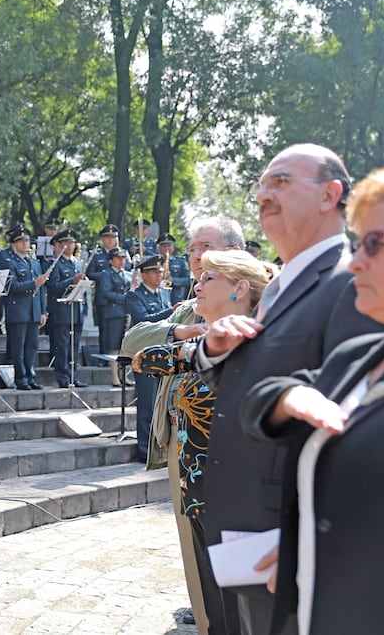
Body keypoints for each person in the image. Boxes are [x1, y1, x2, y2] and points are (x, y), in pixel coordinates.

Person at [196, 144, 384, 634]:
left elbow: (355, 418)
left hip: (286, 539)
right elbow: (269, 382)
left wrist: (314, 534)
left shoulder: (351, 281)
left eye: (281, 182)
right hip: (246, 533)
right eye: (261, 186)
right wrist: (217, 352)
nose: (264, 195)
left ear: (330, 194)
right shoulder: (281, 286)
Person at [241, 166, 384, 635]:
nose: (356, 262)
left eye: (374, 243)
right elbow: (258, 402)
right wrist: (291, 395)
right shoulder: (360, 356)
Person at [133, 250, 275, 633]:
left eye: (210, 277)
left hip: (239, 505)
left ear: (240, 288)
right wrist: (196, 340)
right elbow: (141, 360)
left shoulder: (259, 344)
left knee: (247, 616)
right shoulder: (207, 348)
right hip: (198, 498)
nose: (197, 282)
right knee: (218, 613)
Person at [121, 216, 245, 632]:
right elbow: (134, 343)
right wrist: (185, 330)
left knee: (233, 537)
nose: (194, 256)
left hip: (231, 443)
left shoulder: (256, 301)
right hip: (183, 437)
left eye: (204, 248)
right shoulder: (190, 305)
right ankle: (206, 610)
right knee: (191, 530)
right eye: (192, 250)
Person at [125, 254, 173, 461]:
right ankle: (144, 450)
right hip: (145, 355)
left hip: (164, 353)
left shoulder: (163, 293)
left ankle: (159, 447)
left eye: (160, 272)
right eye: (154, 272)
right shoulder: (134, 296)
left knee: (161, 404)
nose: (159, 275)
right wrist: (170, 312)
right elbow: (143, 320)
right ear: (143, 275)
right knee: (146, 404)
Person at [0, 224, 48, 390]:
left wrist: (43, 311)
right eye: (21, 241)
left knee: (32, 346)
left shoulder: (34, 262)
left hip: (33, 310)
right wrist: (33, 283)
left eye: (27, 240)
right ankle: (21, 378)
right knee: (18, 347)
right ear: (13, 243)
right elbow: (11, 286)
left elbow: (41, 291)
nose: (25, 243)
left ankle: (30, 377)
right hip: (17, 310)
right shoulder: (9, 261)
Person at [44, 229, 87, 388]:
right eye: (66, 243)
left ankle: (73, 376)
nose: (70, 246)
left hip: (77, 309)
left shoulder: (78, 263)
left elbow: (83, 289)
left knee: (74, 346)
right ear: (58, 246)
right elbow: (53, 287)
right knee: (62, 346)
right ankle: (63, 377)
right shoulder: (55, 264)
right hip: (62, 310)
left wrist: (85, 308)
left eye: (71, 243)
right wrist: (71, 280)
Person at [97, 246, 132, 386]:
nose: (121, 261)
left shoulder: (128, 274)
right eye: (118, 258)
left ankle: (123, 375)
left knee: (124, 346)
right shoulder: (107, 274)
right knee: (113, 345)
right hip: (114, 313)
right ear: (111, 261)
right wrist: (124, 298)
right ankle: (114, 376)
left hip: (127, 313)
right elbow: (106, 292)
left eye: (123, 258)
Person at [86, 224, 120, 327]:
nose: (110, 240)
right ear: (102, 239)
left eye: (113, 237)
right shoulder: (96, 255)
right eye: (107, 237)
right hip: (103, 298)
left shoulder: (123, 254)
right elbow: (89, 274)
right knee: (104, 330)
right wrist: (106, 276)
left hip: (120, 297)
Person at [158, 233, 191, 304]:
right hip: (158, 297)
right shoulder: (153, 262)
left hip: (175, 298)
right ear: (159, 248)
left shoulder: (180, 261)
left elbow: (187, 281)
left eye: (169, 246)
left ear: (173, 247)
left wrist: (173, 280)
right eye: (164, 246)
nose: (167, 248)